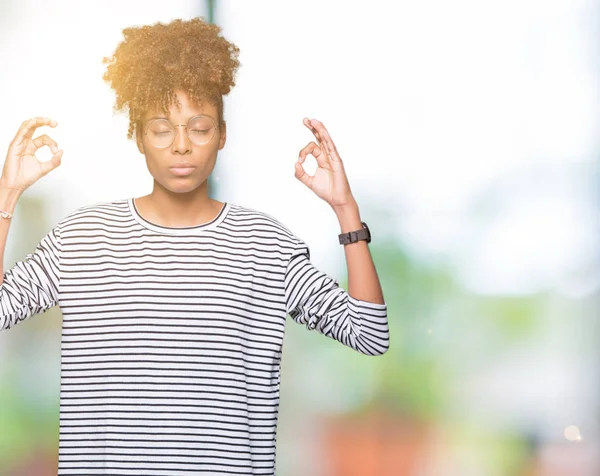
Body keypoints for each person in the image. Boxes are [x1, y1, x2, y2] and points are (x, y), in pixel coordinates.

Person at [0, 17, 389, 476]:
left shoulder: (265, 244)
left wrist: (345, 209)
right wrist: (7, 195)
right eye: (162, 129)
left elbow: (368, 333)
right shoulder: (82, 238)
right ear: (139, 137)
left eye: (199, 128)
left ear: (222, 135)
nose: (181, 146)